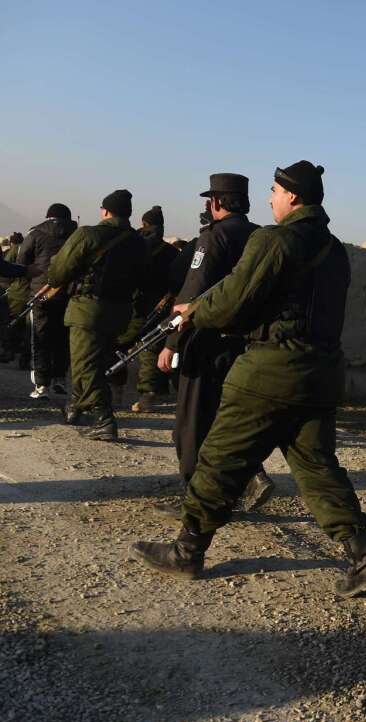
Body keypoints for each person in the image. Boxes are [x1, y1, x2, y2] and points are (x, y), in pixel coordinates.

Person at [131, 161, 366, 598]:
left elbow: (233, 298)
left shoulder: (276, 240)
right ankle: (363, 561)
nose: (270, 198)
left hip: (269, 373)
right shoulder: (335, 250)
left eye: (274, 190)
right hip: (320, 374)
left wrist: (195, 312)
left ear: (293, 197)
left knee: (220, 458)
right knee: (318, 468)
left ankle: (187, 551)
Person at [154, 174, 274, 514]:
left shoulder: (214, 237)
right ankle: (251, 475)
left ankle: (198, 499)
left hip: (205, 342)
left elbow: (192, 296)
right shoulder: (261, 237)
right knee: (229, 420)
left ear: (215, 203)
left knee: (191, 425)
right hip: (248, 346)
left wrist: (172, 343)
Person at [46, 189, 148, 441]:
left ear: (105, 211)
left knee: (84, 366)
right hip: (121, 313)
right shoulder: (138, 242)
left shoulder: (88, 234)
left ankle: (103, 419)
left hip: (88, 311)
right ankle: (75, 408)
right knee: (95, 363)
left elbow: (59, 271)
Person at [16, 204, 77, 398]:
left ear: (48, 216)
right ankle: (60, 379)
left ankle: (41, 385)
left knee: (39, 338)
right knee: (62, 337)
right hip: (68, 293)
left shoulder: (35, 234)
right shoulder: (77, 235)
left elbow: (21, 263)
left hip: (41, 294)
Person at [126, 205, 177, 411]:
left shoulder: (137, 246)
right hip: (164, 303)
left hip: (140, 303)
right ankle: (158, 388)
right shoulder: (171, 252)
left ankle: (148, 394)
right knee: (157, 344)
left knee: (145, 345)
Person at [2, 232, 29, 369]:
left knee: (11, 321)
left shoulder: (16, 249)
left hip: (17, 291)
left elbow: (5, 267)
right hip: (37, 294)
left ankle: (8, 350)